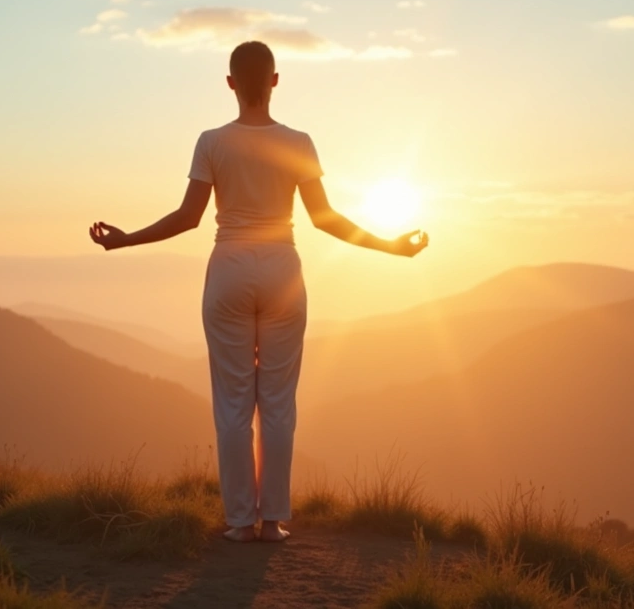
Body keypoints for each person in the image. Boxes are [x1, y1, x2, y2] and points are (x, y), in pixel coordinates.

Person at [89, 40, 429, 543]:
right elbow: (325, 218)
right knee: (277, 401)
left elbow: (188, 217)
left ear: (230, 83)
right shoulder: (299, 141)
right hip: (282, 271)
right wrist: (390, 247)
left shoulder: (211, 141)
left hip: (228, 268)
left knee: (232, 403)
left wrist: (125, 241)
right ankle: (273, 522)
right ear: (274, 81)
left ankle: (240, 523)